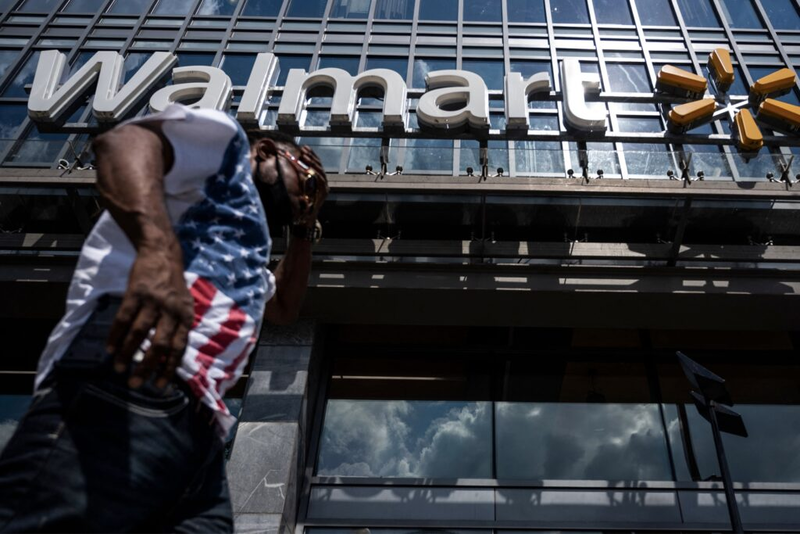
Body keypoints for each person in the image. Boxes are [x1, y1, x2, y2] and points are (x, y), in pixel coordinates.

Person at [0, 104, 328, 533]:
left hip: (200, 436)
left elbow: (284, 306)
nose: (307, 195)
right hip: (134, 373)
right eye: (306, 177)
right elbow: (123, 143)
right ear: (266, 151)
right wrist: (157, 252)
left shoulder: (248, 254)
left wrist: (304, 225)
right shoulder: (226, 149)